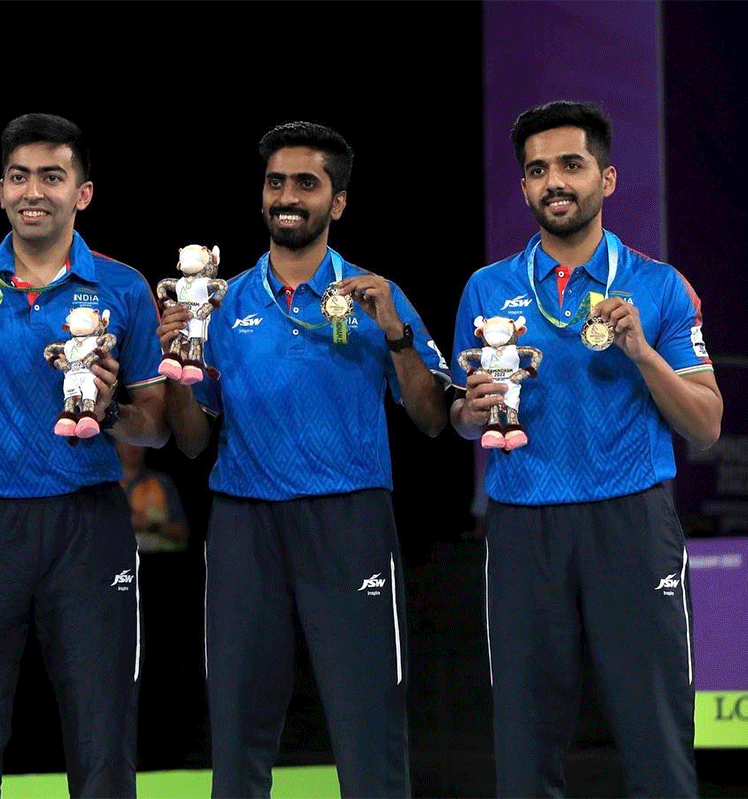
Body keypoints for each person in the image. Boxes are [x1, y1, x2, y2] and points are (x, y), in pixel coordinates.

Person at [159, 121, 450, 798]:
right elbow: (194, 439)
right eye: (275, 182)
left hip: (350, 520)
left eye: (306, 184)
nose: (287, 196)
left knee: (368, 722)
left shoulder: (378, 294)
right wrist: (174, 360)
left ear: (338, 202)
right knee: (236, 729)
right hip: (243, 526)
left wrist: (399, 336)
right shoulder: (219, 303)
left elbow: (434, 419)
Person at [449, 100, 722, 798]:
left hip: (630, 521)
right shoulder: (487, 288)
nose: (554, 181)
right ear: (524, 188)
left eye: (571, 165)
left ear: (607, 177)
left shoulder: (659, 285)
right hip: (522, 526)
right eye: (537, 170)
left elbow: (706, 424)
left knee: (655, 733)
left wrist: (641, 353)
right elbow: (461, 416)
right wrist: (469, 411)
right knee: (524, 739)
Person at [0, 112, 167, 798]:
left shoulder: (124, 287)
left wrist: (108, 412)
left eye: (52, 175)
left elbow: (156, 428)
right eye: (20, 176)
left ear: (84, 192)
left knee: (103, 736)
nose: (33, 190)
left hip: (89, 526)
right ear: (1, 189)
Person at [115, 439, 189, 552]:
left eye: (137, 441)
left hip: (159, 561)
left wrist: (150, 526)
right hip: (120, 562)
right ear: (116, 445)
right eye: (126, 440)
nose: (132, 446)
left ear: (147, 446)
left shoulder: (162, 482)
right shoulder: (105, 486)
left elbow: (183, 532)